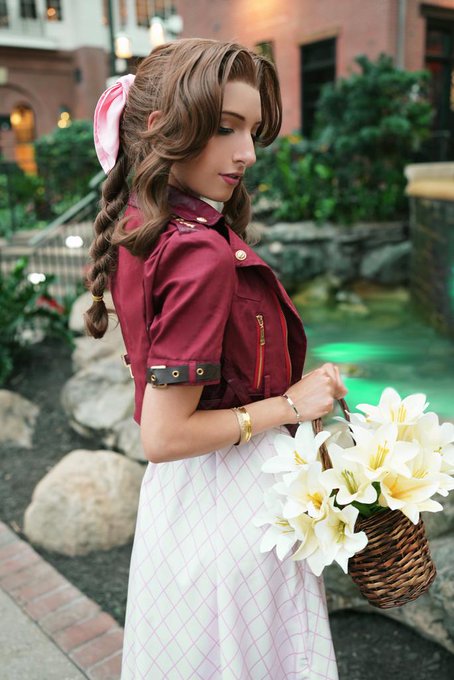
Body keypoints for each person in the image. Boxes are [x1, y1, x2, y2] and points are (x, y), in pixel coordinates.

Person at [85, 38, 346, 680]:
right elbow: (165, 434)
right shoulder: (198, 252)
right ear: (162, 127)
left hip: (179, 507)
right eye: (226, 127)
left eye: (251, 130)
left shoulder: (143, 225)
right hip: (236, 510)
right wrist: (291, 404)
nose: (247, 153)